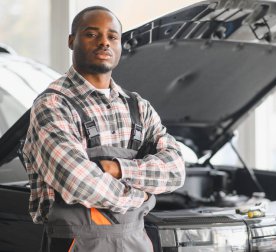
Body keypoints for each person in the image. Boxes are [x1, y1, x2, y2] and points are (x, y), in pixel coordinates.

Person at [22, 6, 185, 252]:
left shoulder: (138, 107)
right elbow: (78, 181)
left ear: (120, 45)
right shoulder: (53, 105)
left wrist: (118, 168)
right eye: (91, 34)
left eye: (112, 36)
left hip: (136, 242)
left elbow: (175, 170)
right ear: (71, 41)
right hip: (77, 244)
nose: (104, 43)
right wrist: (140, 196)